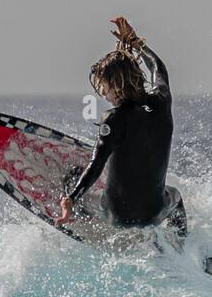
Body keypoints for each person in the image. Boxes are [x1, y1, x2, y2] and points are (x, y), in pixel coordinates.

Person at [56, 17, 184, 236]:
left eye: (105, 88)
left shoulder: (114, 118)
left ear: (117, 85)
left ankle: (79, 215)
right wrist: (135, 42)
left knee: (74, 174)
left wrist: (72, 197)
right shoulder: (162, 100)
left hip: (118, 216)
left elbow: (96, 164)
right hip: (155, 214)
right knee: (176, 197)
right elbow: (157, 67)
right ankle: (182, 244)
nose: (104, 94)